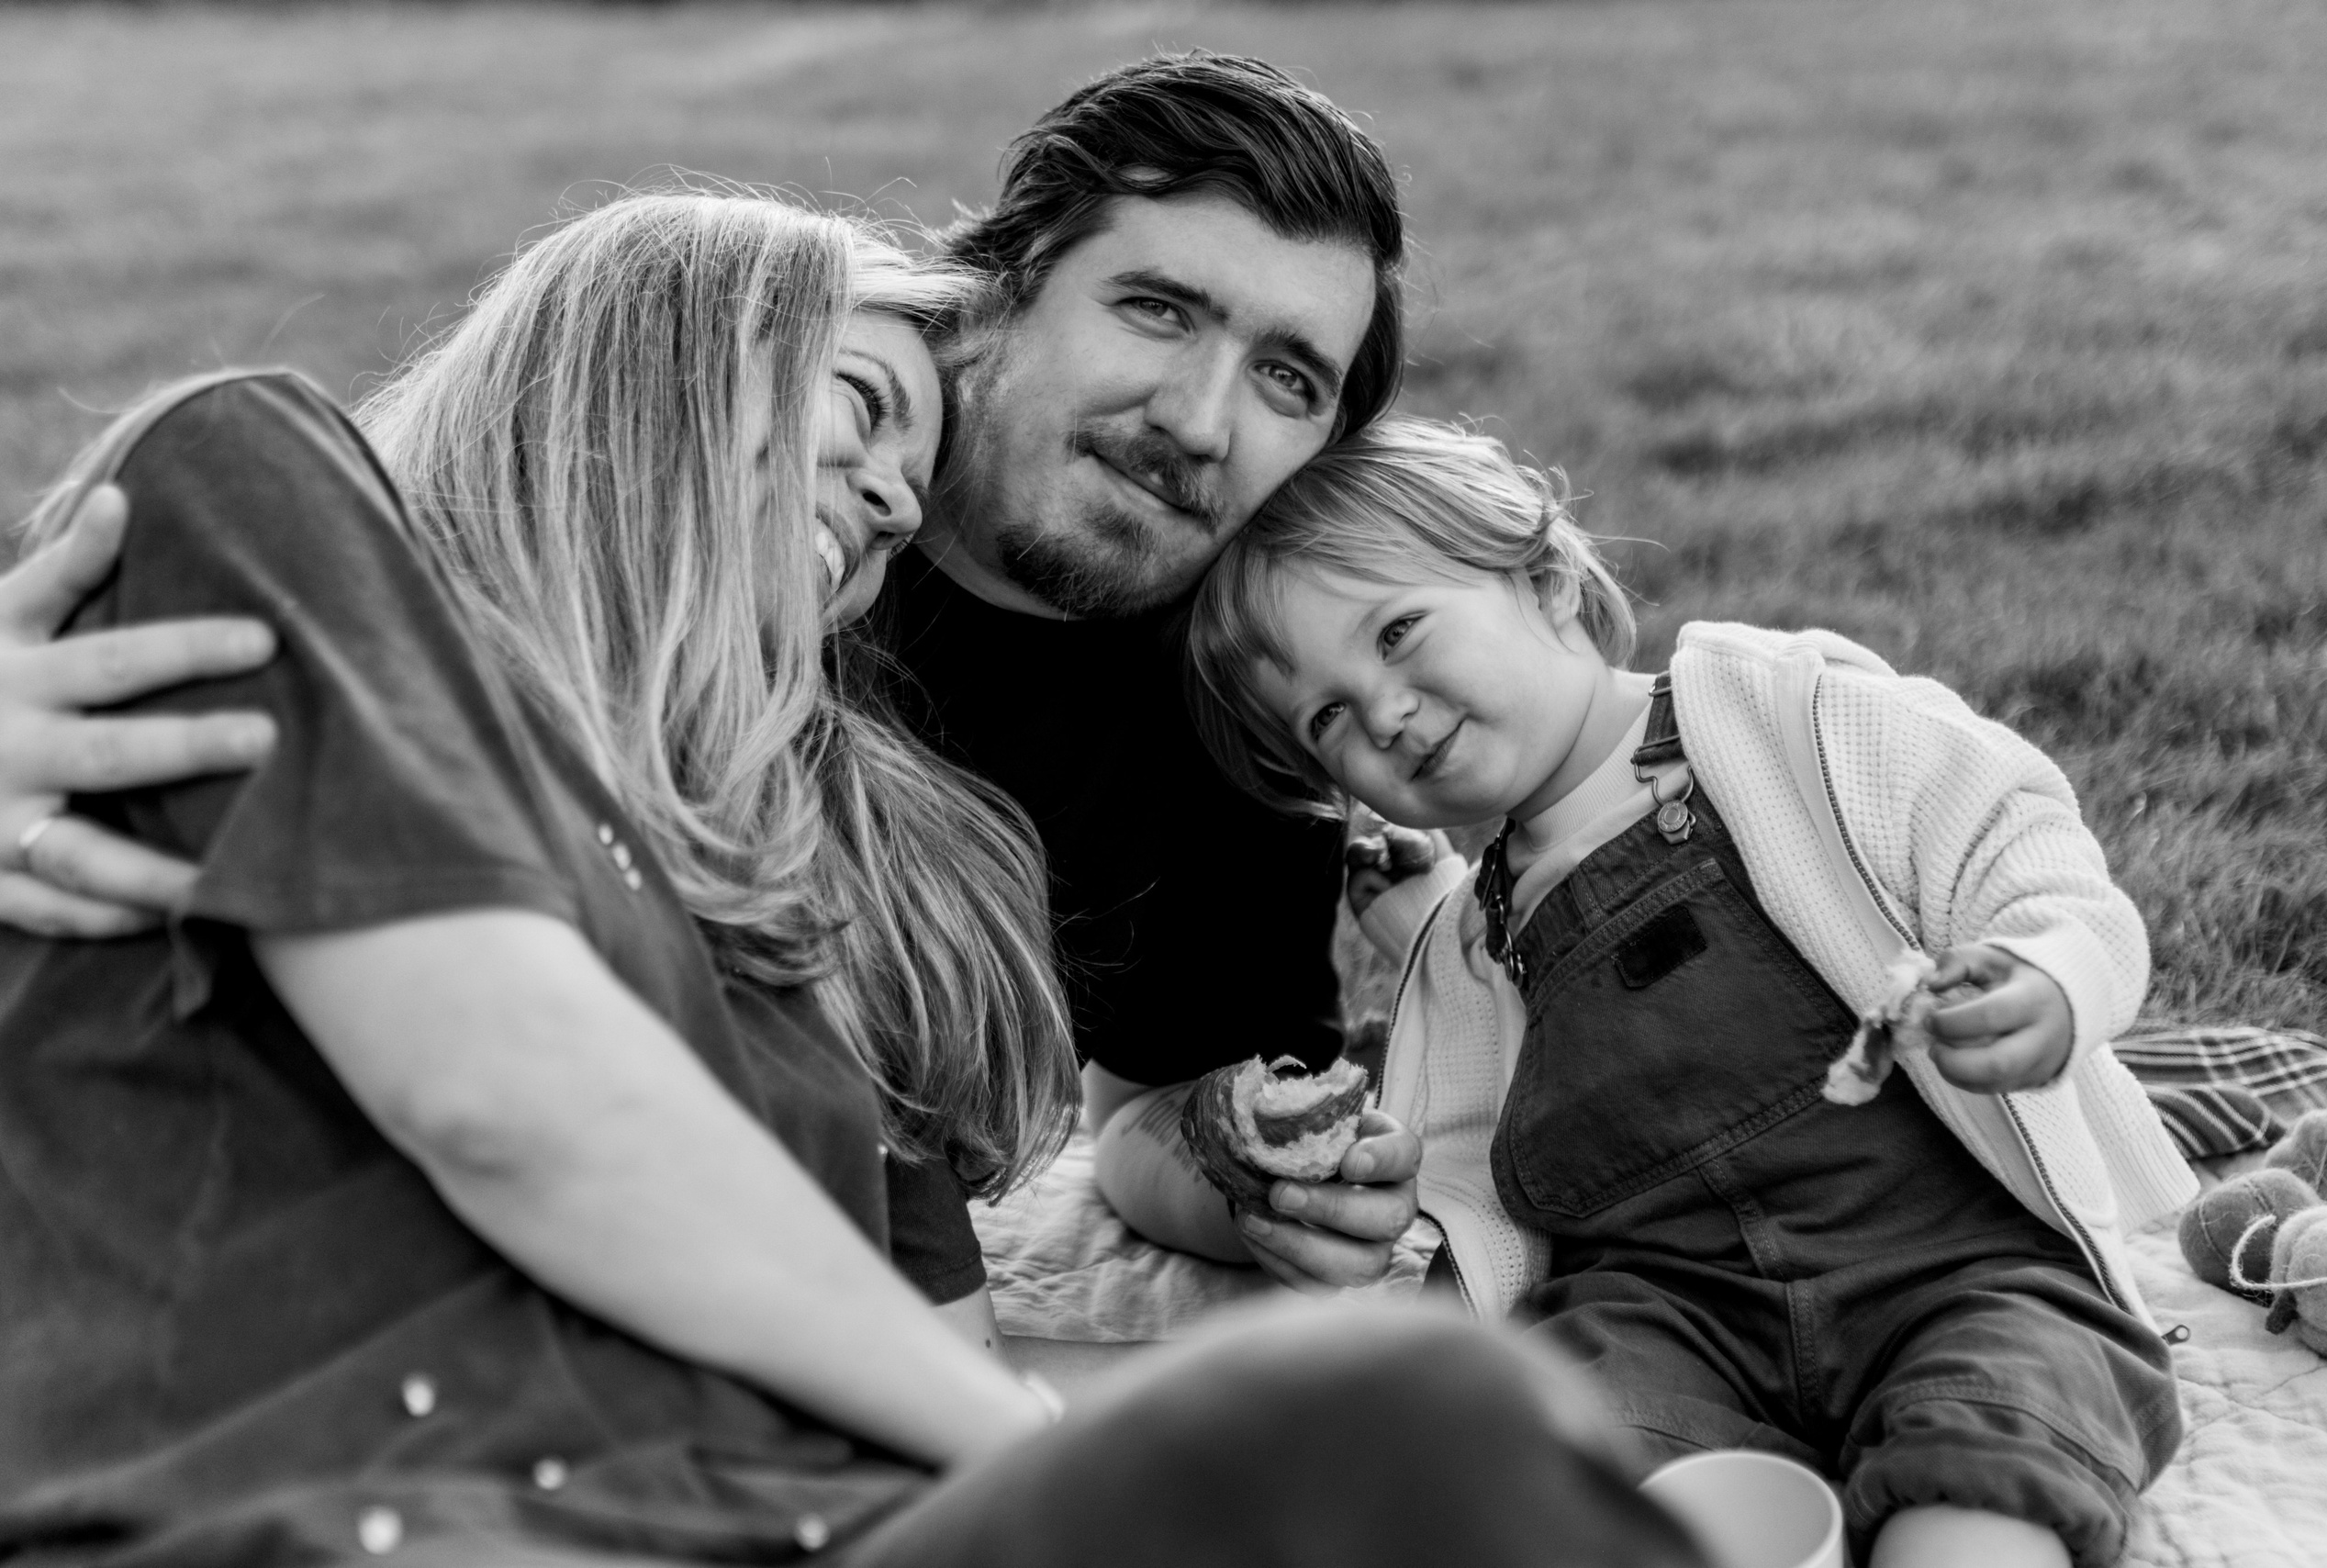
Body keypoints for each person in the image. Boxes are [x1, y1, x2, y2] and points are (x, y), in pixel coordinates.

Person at [0, 197, 1701, 1567]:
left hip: (777, 1518)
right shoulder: (272, 498)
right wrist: (1048, 1449)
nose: (890, 497)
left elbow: (945, 1360)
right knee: (1417, 1413)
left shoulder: (801, 900)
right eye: (865, 408)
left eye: (901, 493)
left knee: (1428, 1425)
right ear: (656, 351)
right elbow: (513, 1105)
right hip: (342, 1511)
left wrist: (1251, 1428)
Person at [0, 51, 1431, 1294]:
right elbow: (392, 556)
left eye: (1287, 378)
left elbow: (1146, 1114)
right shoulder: (738, 453)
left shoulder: (1242, 713)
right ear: (1000, 287)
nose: (1199, 419)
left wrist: (1256, 1179)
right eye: (1159, 309)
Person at [1183, 416, 2198, 1568]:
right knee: (1526, 1459)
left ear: (1544, 577)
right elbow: (1475, 1148)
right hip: (1670, 1310)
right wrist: (1385, 1198)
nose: (1384, 712)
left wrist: (2049, 971)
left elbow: (2017, 845)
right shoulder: (1477, 936)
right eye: (1327, 717)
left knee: (1989, 1460)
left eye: (1399, 631)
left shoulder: (1787, 712)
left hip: (1957, 1266)